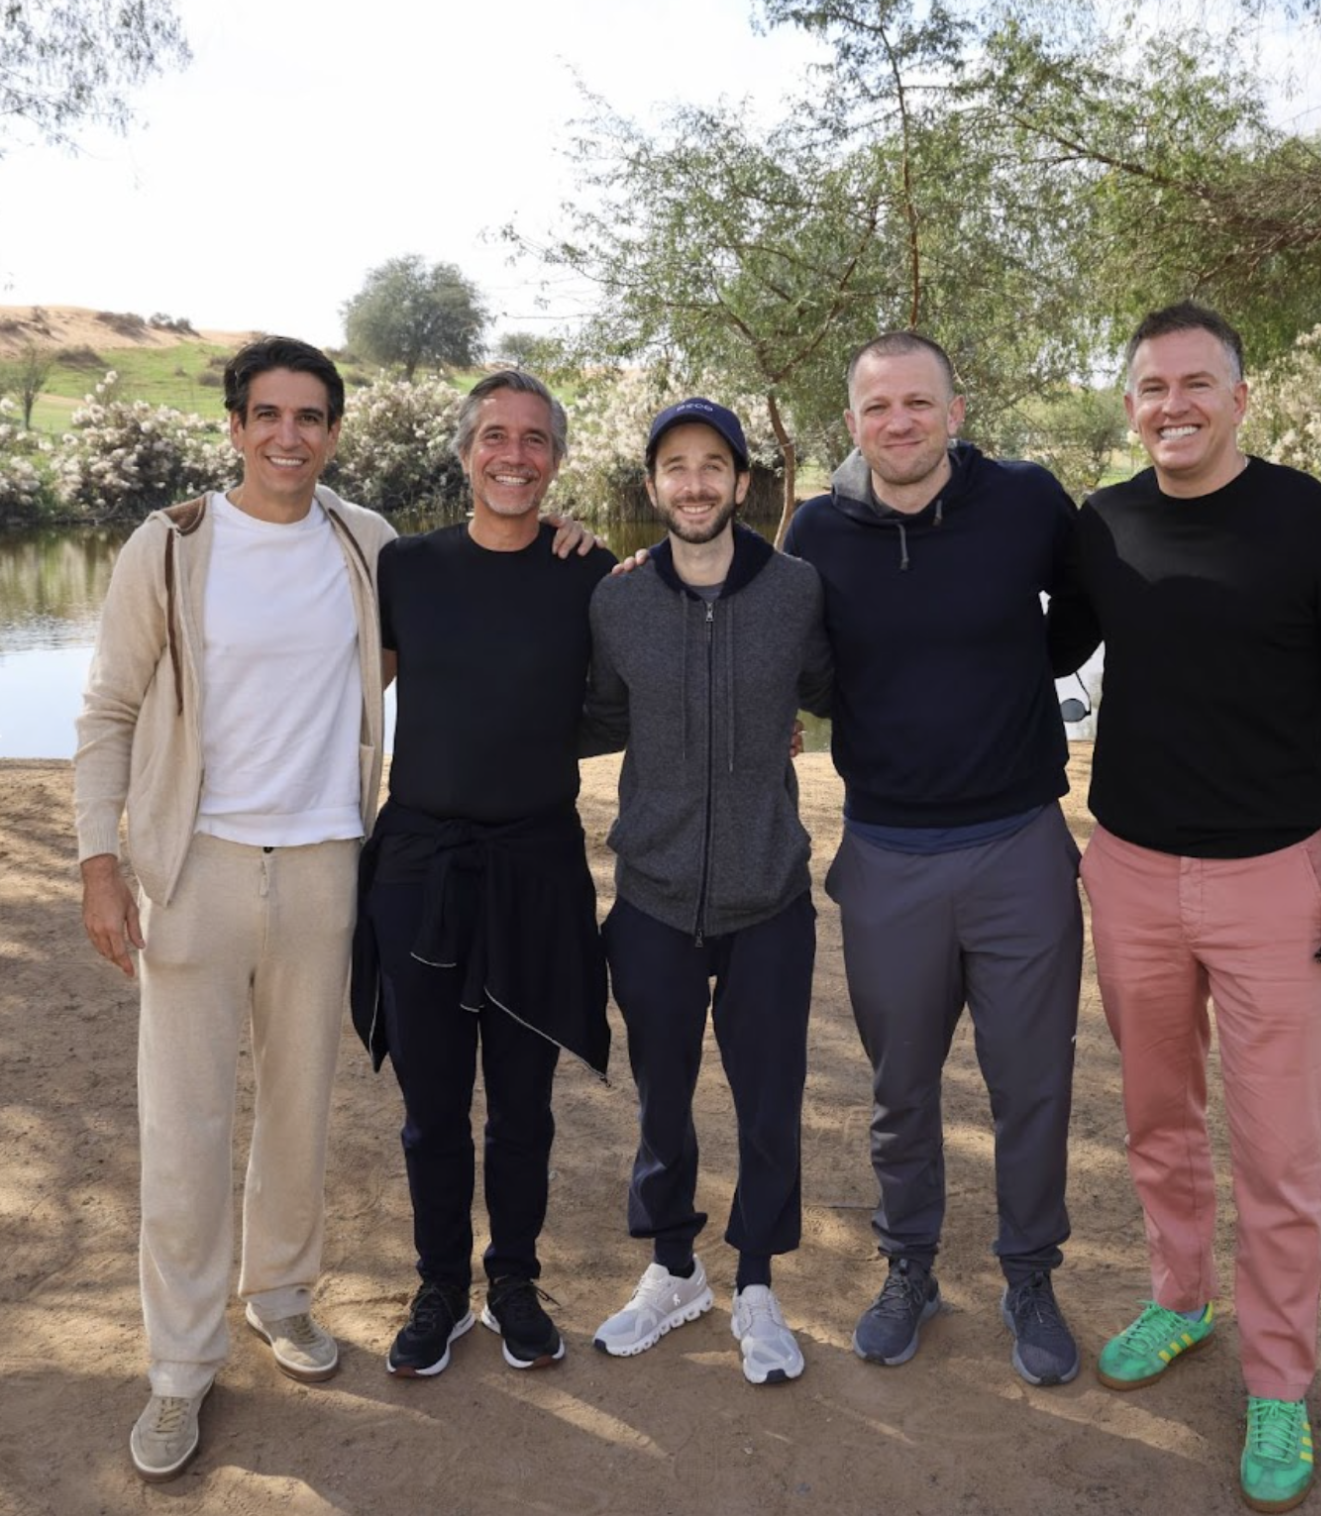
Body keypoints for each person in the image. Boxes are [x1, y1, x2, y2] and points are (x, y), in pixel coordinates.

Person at [1073, 302, 1321, 1514]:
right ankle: (1177, 1300)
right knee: (1158, 1117)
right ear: (1130, 405)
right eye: (1151, 387)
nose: (1173, 405)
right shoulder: (1100, 525)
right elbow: (1022, 641)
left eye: (1195, 384)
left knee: (1278, 1151)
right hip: (1125, 869)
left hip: (1276, 880)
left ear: (1239, 397)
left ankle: (1277, 1379)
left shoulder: (1313, 522)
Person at [73, 336, 394, 1483]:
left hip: (322, 867)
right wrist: (99, 863)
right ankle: (177, 1369)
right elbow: (108, 708)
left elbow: (441, 632)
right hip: (194, 870)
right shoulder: (169, 547)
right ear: (233, 425)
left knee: (299, 1107)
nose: (288, 436)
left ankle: (284, 1297)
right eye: (267, 414)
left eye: (310, 416)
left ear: (335, 432)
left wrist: (573, 555)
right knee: (186, 1125)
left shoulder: (368, 545)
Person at [784, 331, 1100, 1386]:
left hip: (1018, 846)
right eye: (878, 409)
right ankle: (907, 1265)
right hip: (885, 854)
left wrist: (1021, 662)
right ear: (854, 424)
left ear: (955, 412)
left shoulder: (1023, 500)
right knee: (900, 1088)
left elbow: (1087, 609)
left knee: (1032, 1086)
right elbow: (807, 672)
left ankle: (1028, 1274)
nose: (899, 423)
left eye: (918, 404)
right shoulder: (817, 530)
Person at [351, 368, 616, 1380]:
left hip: (537, 865)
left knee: (523, 1104)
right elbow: (334, 687)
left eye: (535, 439)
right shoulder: (404, 568)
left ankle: (511, 1281)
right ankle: (439, 1289)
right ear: (463, 453)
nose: (515, 455)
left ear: (555, 458)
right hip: (418, 865)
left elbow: (633, 689)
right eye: (495, 437)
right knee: (429, 1106)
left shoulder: (587, 574)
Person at [582, 397, 833, 1385]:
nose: (693, 483)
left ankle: (760, 1288)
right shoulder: (615, 600)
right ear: (651, 487)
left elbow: (836, 690)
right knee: (661, 1100)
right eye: (674, 467)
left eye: (711, 465)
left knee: (768, 1100)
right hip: (650, 894)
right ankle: (673, 1270)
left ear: (740, 481)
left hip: (768, 895)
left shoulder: (798, 590)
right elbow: (591, 710)